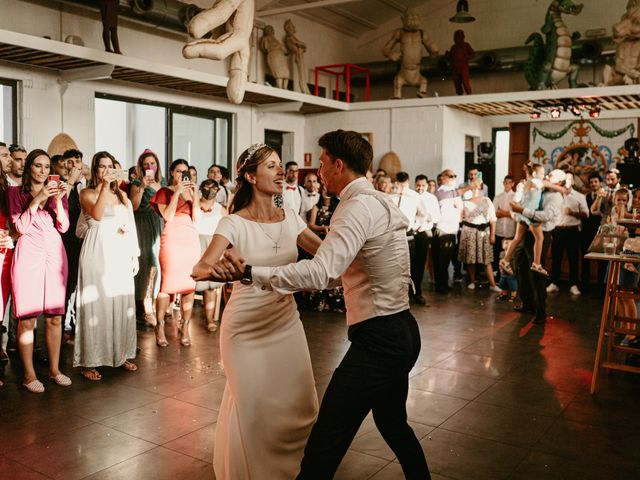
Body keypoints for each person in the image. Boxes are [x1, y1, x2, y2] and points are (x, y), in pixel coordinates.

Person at [205, 130, 431, 479]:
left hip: (378, 340)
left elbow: (324, 270)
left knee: (325, 439)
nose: (316, 173)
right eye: (273, 167)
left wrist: (251, 272)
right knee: (393, 425)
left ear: (338, 165)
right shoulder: (376, 200)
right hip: (401, 331)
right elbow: (209, 262)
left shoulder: (353, 208)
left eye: (323, 164)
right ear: (250, 176)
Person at [191, 143, 320, 479]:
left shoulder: (291, 218)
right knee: (253, 407)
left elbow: (327, 254)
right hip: (245, 327)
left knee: (301, 404)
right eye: (272, 167)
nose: (281, 172)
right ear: (250, 176)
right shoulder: (233, 223)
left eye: (281, 165)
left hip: (285, 321)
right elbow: (199, 268)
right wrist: (218, 270)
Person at [9, 149, 71, 393]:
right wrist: (37, 199)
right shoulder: (15, 192)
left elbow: (64, 226)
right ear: (29, 169)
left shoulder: (58, 193)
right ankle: (28, 374)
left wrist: (56, 200)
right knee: (28, 318)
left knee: (55, 317)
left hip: (54, 254)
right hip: (28, 254)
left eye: (47, 167)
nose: (43, 171)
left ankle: (55, 370)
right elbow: (20, 227)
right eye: (38, 166)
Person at [74, 151, 139, 380]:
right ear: (95, 170)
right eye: (101, 166)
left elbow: (130, 225)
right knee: (97, 304)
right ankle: (90, 361)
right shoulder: (87, 193)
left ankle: (120, 354)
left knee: (120, 302)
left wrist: (134, 254)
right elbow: (99, 216)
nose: (106, 170)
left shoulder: (123, 196)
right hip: (96, 252)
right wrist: (104, 186)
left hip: (118, 252)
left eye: (110, 166)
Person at [150, 159, 200, 347]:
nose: (182, 174)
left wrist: (194, 196)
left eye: (185, 171)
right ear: (172, 172)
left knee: (189, 284)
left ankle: (185, 326)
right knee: (167, 285)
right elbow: (168, 216)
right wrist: (178, 191)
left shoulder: (191, 192)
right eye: (178, 171)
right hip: (171, 238)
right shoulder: (164, 192)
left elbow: (197, 218)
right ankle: (160, 325)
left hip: (190, 239)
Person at [511, 169, 566, 325]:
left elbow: (545, 216)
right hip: (526, 231)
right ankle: (528, 304)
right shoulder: (539, 189)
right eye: (548, 174)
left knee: (537, 273)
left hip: (541, 235)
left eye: (551, 176)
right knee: (520, 266)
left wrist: (523, 211)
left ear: (559, 182)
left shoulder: (555, 196)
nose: (547, 177)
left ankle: (540, 311)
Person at [130, 149, 165, 325]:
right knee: (147, 264)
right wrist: (142, 186)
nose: (149, 166)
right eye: (146, 164)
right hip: (143, 224)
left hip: (159, 223)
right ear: (141, 167)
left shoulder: (163, 182)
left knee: (159, 264)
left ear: (157, 165)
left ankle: (156, 302)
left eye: (152, 163)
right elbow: (134, 206)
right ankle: (145, 307)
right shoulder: (137, 182)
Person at [501, 162, 549, 276]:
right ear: (534, 173)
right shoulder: (536, 182)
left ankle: (505, 260)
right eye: (542, 173)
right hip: (529, 215)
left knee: (517, 238)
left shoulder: (527, 183)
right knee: (540, 238)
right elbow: (548, 184)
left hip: (522, 214)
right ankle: (536, 264)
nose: (543, 175)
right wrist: (562, 189)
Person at [547, 172, 589, 296]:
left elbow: (586, 214)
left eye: (570, 179)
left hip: (572, 230)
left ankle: (573, 285)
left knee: (573, 258)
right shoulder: (554, 195)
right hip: (557, 229)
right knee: (556, 257)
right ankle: (554, 283)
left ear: (574, 181)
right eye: (565, 179)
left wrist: (573, 213)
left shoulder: (580, 196)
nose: (567, 181)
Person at [195, 179, 226, 332]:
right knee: (189, 284)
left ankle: (209, 319)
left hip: (213, 246)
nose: (210, 190)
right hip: (195, 244)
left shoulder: (221, 209)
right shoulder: (194, 205)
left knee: (210, 286)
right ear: (201, 188)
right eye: (207, 187)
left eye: (214, 187)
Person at [459, 179, 501, 292]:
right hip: (469, 231)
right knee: (470, 259)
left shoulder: (487, 201)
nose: (476, 189)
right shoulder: (465, 202)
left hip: (484, 232)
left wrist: (492, 234)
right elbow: (461, 218)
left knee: (486, 260)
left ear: (482, 188)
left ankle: (493, 284)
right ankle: (472, 281)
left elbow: (493, 219)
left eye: (478, 187)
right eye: (473, 186)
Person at [434, 169, 463, 293]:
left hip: (452, 230)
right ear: (443, 178)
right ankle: (440, 286)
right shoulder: (442, 192)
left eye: (455, 176)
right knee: (442, 261)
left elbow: (461, 208)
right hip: (444, 229)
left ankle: (444, 284)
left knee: (446, 260)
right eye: (451, 176)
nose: (454, 178)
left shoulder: (453, 192)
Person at [414, 174, 440, 304]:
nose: (420, 188)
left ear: (427, 185)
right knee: (408, 264)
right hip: (410, 233)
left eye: (423, 185)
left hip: (423, 232)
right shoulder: (411, 197)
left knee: (420, 263)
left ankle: (417, 292)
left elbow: (436, 217)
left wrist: (427, 216)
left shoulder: (431, 199)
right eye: (418, 185)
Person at [0, 143, 15, 367]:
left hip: (6, 250)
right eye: (4, 155)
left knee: (2, 303)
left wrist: (12, 235)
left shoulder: (7, 186)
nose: (10, 159)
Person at [492, 175, 516, 274]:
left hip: (511, 231)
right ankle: (496, 275)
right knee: (496, 253)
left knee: (509, 254)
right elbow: (494, 213)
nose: (507, 184)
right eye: (506, 182)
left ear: (513, 184)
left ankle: (508, 275)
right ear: (503, 183)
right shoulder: (498, 197)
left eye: (510, 182)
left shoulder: (516, 197)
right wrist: (509, 213)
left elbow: (516, 214)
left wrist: (502, 213)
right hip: (499, 230)